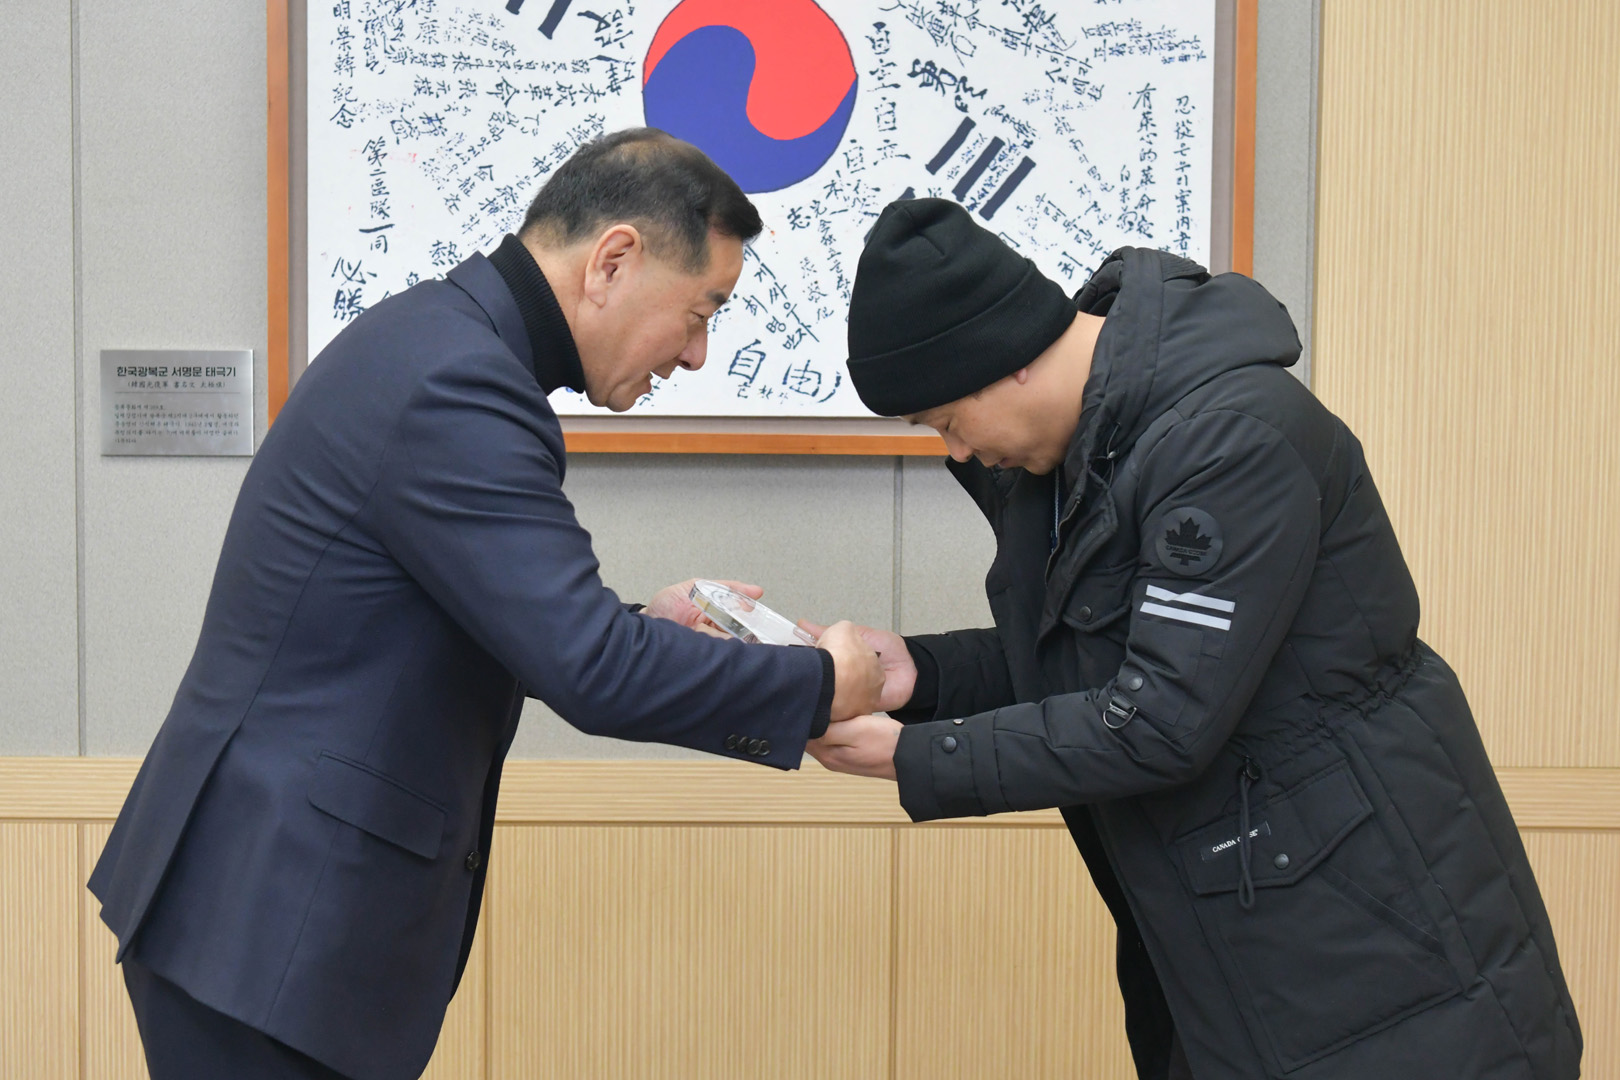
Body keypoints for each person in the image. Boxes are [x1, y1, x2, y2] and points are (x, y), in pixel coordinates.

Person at [88, 128, 885, 1080]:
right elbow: (591, 669)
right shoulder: (458, 383)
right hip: (268, 924)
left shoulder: (440, 343)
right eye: (700, 311)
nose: (697, 354)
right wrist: (820, 683)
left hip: (258, 914)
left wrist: (645, 627)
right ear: (613, 261)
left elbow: (516, 619)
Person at [805, 198, 1580, 1079]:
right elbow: (1091, 658)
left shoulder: (1229, 439)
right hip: (1237, 929)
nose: (957, 451)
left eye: (947, 421)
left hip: (1378, 951)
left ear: (1003, 360)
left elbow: (1158, 717)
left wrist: (914, 757)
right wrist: (919, 674)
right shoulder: (1080, 456)